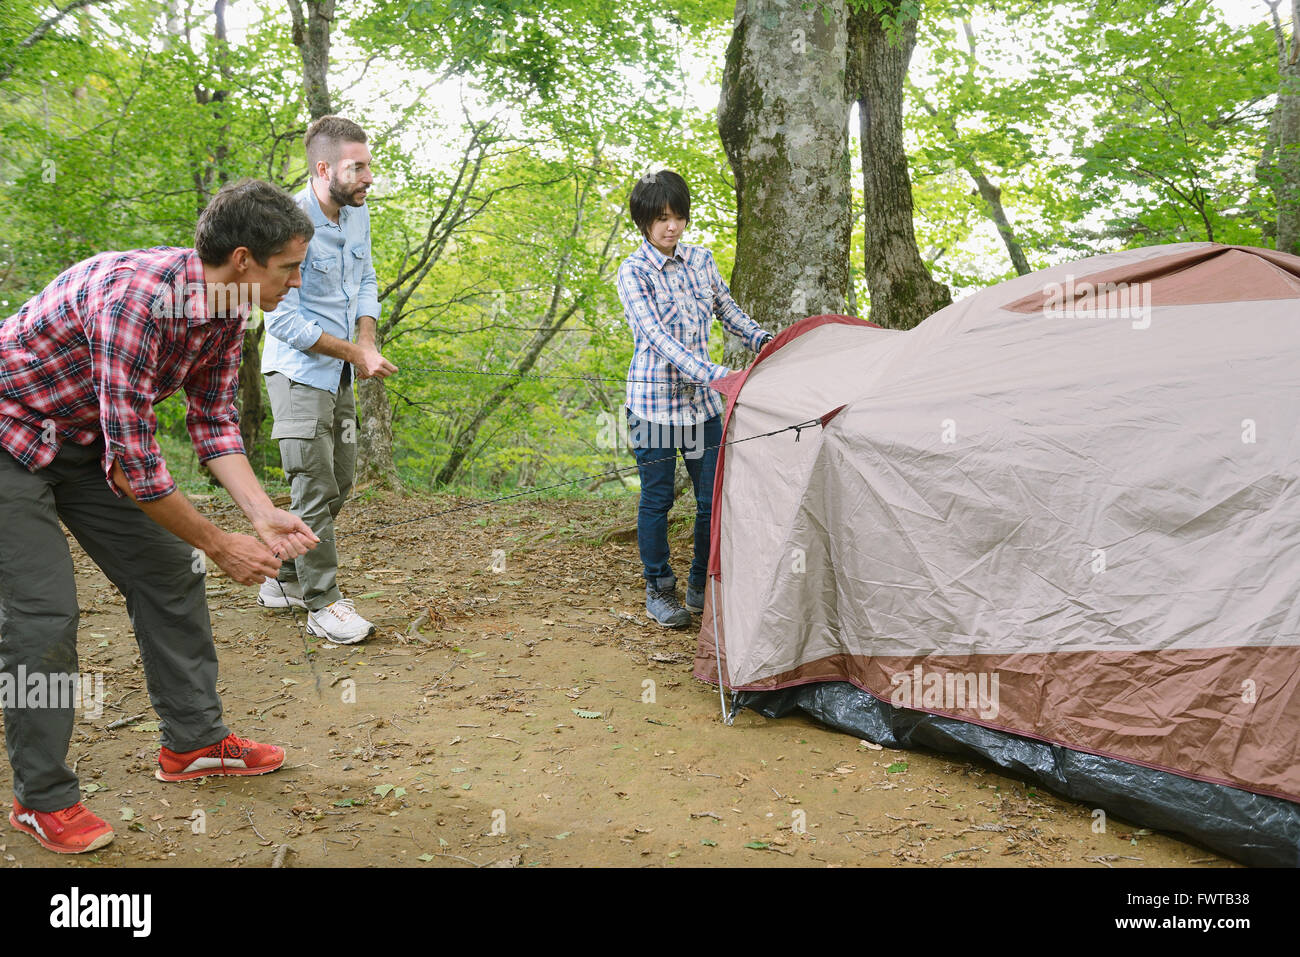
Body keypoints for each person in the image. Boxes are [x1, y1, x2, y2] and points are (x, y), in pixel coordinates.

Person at [0, 178, 321, 854]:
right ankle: (42, 799)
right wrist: (222, 543)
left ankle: (195, 742)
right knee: (44, 613)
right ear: (242, 259)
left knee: (171, 570)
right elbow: (135, 469)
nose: (296, 280)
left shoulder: (229, 309)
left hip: (83, 440)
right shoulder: (136, 302)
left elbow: (212, 420)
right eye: (288, 267)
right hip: (11, 433)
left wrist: (262, 514)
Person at [258, 115, 396, 644]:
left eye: (369, 166)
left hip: (339, 367)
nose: (368, 177)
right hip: (296, 374)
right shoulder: (286, 223)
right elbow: (286, 322)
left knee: (338, 482)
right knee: (313, 486)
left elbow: (365, 277)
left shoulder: (357, 214)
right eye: (357, 167)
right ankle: (323, 604)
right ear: (323, 168)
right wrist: (356, 354)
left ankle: (283, 578)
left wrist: (366, 341)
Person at [616, 170, 772, 628]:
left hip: (702, 409)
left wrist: (763, 339)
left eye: (679, 217)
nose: (672, 227)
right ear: (644, 221)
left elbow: (727, 309)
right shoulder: (633, 272)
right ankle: (658, 588)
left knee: (713, 499)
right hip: (652, 408)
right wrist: (719, 375)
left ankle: (702, 586)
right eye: (662, 218)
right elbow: (658, 339)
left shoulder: (701, 260)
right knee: (657, 500)